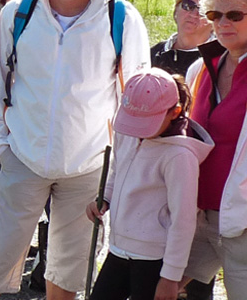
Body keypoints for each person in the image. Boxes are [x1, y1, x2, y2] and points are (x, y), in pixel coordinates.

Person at [0, 0, 150, 300]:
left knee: (68, 273)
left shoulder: (122, 18)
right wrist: (2, 147)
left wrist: (119, 165)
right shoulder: (19, 13)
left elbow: (135, 96)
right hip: (22, 157)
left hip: (89, 166)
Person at [85, 68, 211, 300]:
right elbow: (117, 169)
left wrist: (171, 278)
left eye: (146, 122)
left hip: (154, 259)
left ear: (174, 112)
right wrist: (106, 197)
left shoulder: (179, 156)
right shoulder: (128, 132)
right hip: (119, 248)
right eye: (133, 120)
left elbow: (183, 221)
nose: (138, 130)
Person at [183, 0, 247, 300]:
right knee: (164, 289)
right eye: (215, 15)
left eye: (235, 14)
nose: (223, 23)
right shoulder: (200, 68)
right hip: (198, 216)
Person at [151, 0, 213, 75]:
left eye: (203, 10)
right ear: (176, 10)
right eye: (188, 5)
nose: (193, 14)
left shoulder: (219, 60)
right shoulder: (155, 52)